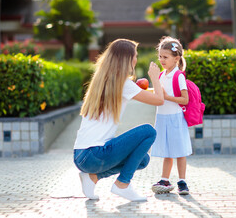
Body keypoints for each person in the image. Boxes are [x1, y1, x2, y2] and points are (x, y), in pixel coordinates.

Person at [73, 39, 164, 202]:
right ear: (126, 59)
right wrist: (155, 77)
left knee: (142, 160)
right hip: (94, 154)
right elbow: (158, 100)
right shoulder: (123, 84)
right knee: (148, 132)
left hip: (81, 155)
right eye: (134, 56)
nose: (136, 59)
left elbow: (140, 94)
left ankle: (93, 177)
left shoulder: (102, 80)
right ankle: (123, 184)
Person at [151, 36, 192, 195]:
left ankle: (182, 182)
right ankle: (165, 179)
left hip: (175, 118)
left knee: (179, 151)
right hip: (162, 117)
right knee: (167, 151)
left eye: (165, 57)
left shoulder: (178, 76)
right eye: (160, 56)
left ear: (176, 58)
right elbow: (157, 96)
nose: (161, 60)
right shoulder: (161, 76)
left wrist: (166, 97)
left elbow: (185, 99)